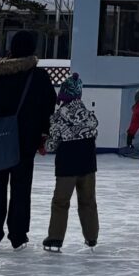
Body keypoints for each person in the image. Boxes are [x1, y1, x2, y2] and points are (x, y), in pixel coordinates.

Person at [0, 30, 56, 249]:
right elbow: (49, 104)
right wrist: (43, 131)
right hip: (25, 140)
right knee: (21, 189)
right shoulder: (37, 76)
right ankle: (18, 235)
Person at [43, 74, 103, 250]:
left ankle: (55, 239)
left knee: (61, 203)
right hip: (88, 164)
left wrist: (44, 143)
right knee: (88, 201)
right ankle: (91, 237)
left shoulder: (58, 117)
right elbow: (94, 134)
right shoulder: (89, 116)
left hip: (67, 166)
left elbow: (52, 144)